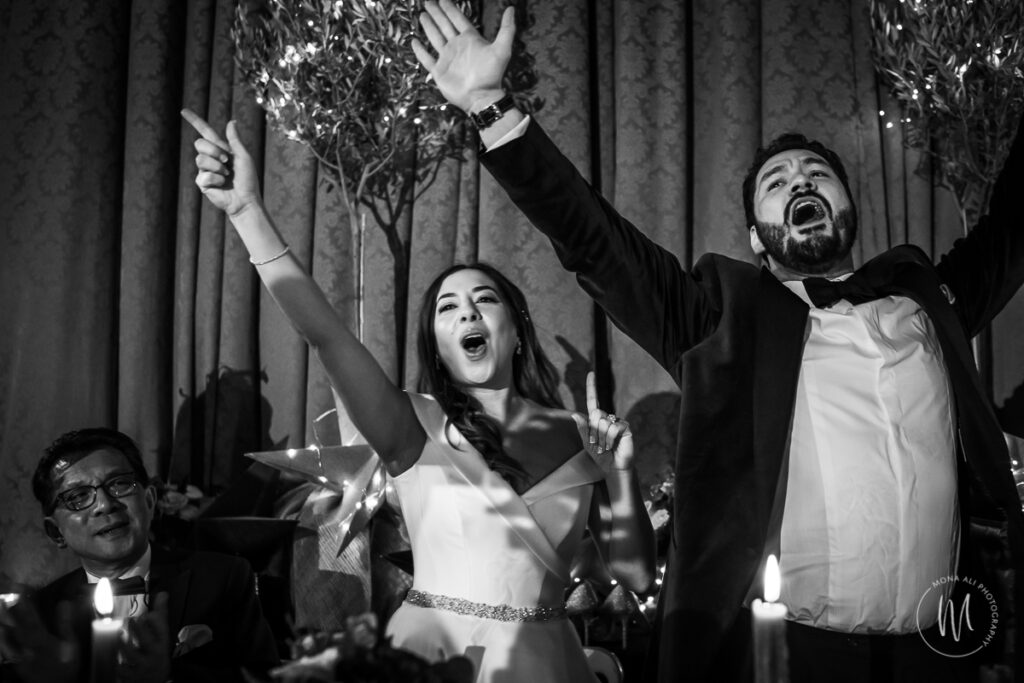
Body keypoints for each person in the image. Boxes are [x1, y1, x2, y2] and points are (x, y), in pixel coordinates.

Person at [410, 2, 1024, 681]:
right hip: (785, 653)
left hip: (938, 655)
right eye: (778, 181)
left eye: (816, 174)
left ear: (849, 211)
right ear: (759, 240)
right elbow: (599, 245)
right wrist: (493, 107)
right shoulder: (719, 319)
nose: (800, 181)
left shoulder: (930, 299)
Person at [181, 108, 656, 683]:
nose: (468, 312)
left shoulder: (582, 435)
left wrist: (619, 475)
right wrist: (248, 213)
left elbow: (633, 578)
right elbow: (324, 334)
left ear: (516, 326)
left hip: (546, 665)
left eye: (484, 299)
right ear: (436, 340)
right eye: (448, 308)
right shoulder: (412, 424)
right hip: (432, 659)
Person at [0, 428, 279, 683]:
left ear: (149, 501)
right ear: (55, 532)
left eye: (120, 484)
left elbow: (267, 677)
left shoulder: (223, 579)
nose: (105, 505)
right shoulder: (40, 617)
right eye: (78, 496)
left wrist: (170, 676)